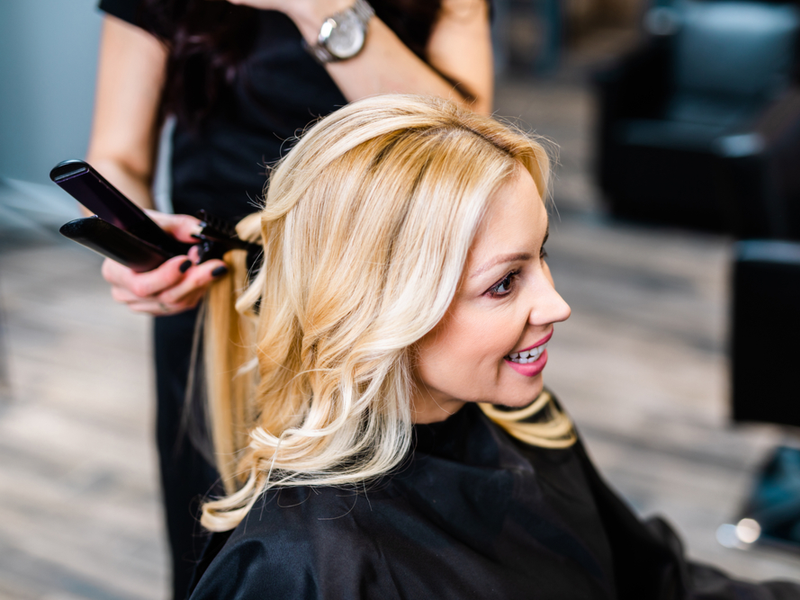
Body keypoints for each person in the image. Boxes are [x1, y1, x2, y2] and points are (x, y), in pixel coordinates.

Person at [188, 94, 800, 599]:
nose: (558, 305)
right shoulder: (303, 569)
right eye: (504, 283)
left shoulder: (529, 420)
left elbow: (657, 585)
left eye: (542, 255)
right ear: (381, 311)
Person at [85, 1, 493, 597]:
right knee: (223, 538)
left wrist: (320, 8)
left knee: (402, 545)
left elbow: (466, 148)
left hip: (388, 298)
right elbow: (116, 154)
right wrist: (135, 241)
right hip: (222, 303)